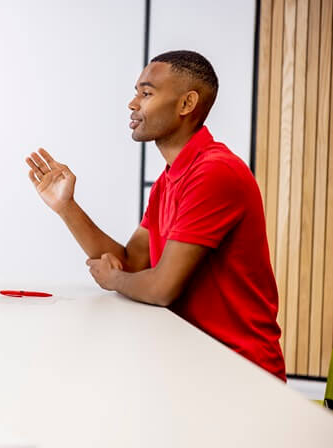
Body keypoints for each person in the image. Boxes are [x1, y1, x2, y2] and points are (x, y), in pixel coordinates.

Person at [26, 50, 285, 381]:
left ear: (186, 104)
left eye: (146, 93)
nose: (133, 104)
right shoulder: (170, 178)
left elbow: (161, 287)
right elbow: (134, 262)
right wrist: (66, 206)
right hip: (193, 363)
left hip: (240, 372)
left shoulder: (215, 173)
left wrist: (113, 280)